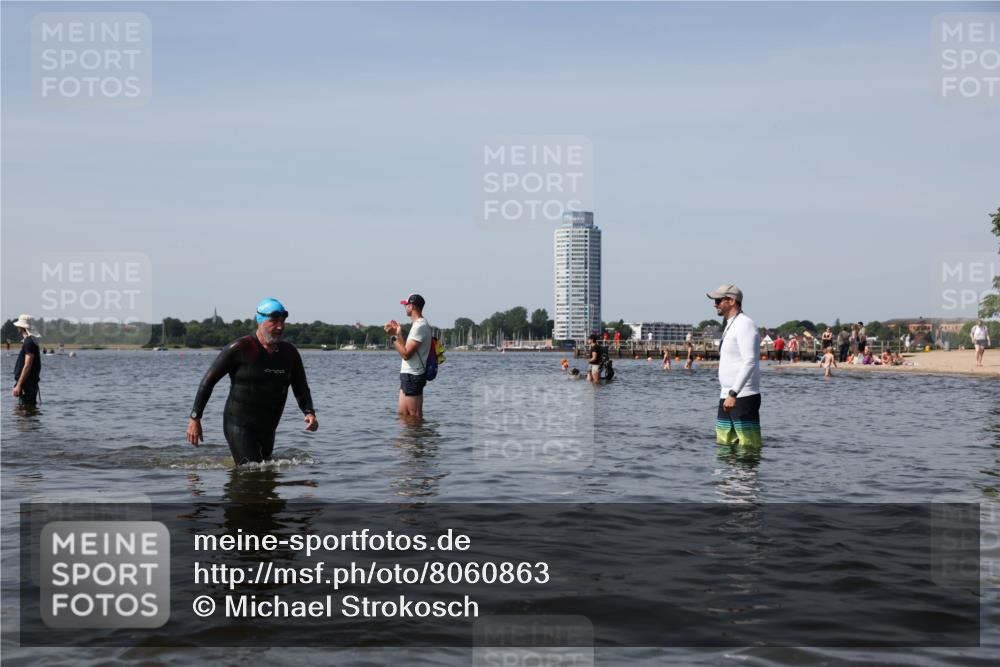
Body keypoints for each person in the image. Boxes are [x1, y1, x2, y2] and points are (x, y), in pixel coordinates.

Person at [187, 298, 318, 465]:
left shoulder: (289, 353)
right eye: (274, 321)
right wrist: (195, 418)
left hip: (268, 429)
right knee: (251, 472)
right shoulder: (240, 348)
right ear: (260, 321)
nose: (280, 326)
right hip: (240, 426)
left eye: (282, 321)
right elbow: (208, 381)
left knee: (266, 480)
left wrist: (309, 412)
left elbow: (301, 387)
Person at [707, 285, 761, 448]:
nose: (715, 304)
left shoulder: (745, 324)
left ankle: (745, 473)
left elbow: (749, 361)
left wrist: (734, 393)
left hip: (742, 396)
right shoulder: (730, 325)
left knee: (747, 446)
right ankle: (727, 474)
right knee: (724, 445)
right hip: (727, 394)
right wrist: (728, 394)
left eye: (718, 300)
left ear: (731, 301)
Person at [385, 294, 433, 418]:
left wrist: (393, 336)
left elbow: (406, 354)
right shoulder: (418, 325)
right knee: (403, 414)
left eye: (406, 305)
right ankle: (409, 437)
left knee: (414, 416)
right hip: (408, 375)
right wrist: (398, 333)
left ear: (411, 306)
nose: (405, 307)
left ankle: (417, 437)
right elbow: (406, 349)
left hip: (414, 375)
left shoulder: (420, 326)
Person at [11, 314, 42, 409]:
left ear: (21, 327)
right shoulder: (30, 341)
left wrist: (19, 385)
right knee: (27, 413)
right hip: (28, 384)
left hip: (27, 385)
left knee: (24, 413)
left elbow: (27, 366)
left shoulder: (29, 342)